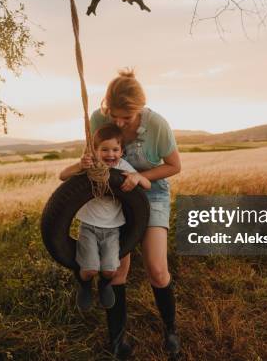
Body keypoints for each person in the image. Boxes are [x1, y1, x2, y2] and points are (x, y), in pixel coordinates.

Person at [85, 69, 182, 358]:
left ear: (139, 108)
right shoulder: (98, 119)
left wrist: (143, 177)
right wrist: (88, 160)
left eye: (126, 118)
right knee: (116, 269)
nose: (118, 122)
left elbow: (174, 165)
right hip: (115, 196)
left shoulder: (157, 124)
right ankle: (118, 341)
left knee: (156, 268)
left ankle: (171, 329)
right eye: (114, 115)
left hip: (151, 193)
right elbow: (97, 156)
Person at [59, 123, 151, 312]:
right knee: (89, 269)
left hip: (112, 229)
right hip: (89, 227)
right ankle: (84, 286)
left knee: (110, 270)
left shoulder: (123, 167)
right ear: (95, 151)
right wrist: (79, 165)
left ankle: (104, 285)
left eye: (115, 149)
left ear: (122, 151)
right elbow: (62, 176)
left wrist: (136, 177)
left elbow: (147, 185)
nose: (111, 155)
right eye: (105, 150)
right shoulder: (90, 167)